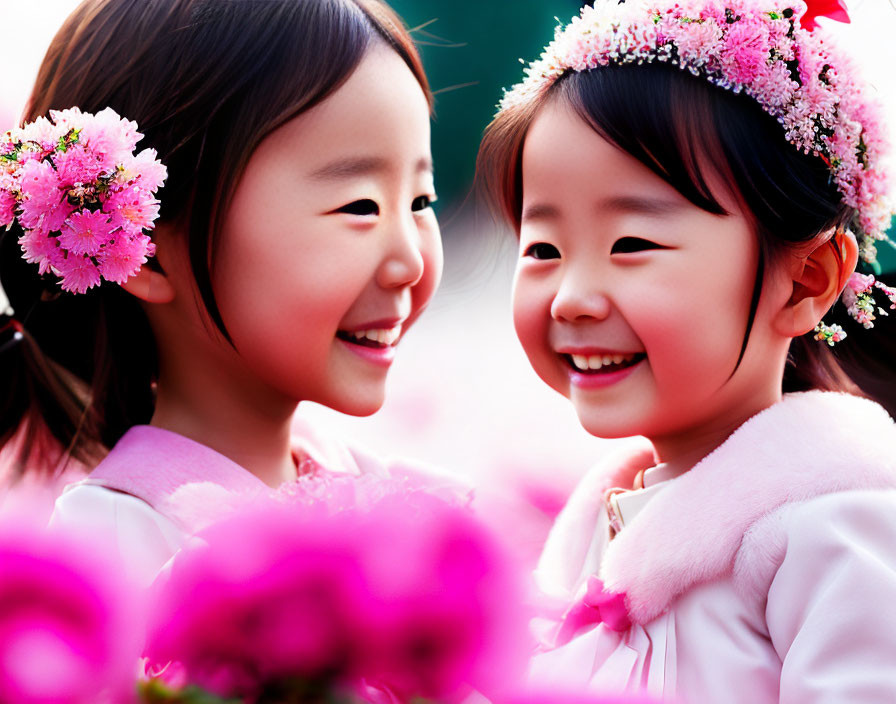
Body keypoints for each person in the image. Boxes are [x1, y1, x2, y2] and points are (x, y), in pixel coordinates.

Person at [478, 0, 896, 700]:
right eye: (543, 247)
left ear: (805, 279)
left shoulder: (835, 532)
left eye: (632, 244)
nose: (571, 298)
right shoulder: (589, 532)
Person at [0, 0, 446, 587]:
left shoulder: (370, 486)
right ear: (146, 248)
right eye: (359, 206)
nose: (410, 262)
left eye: (421, 202)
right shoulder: (112, 541)